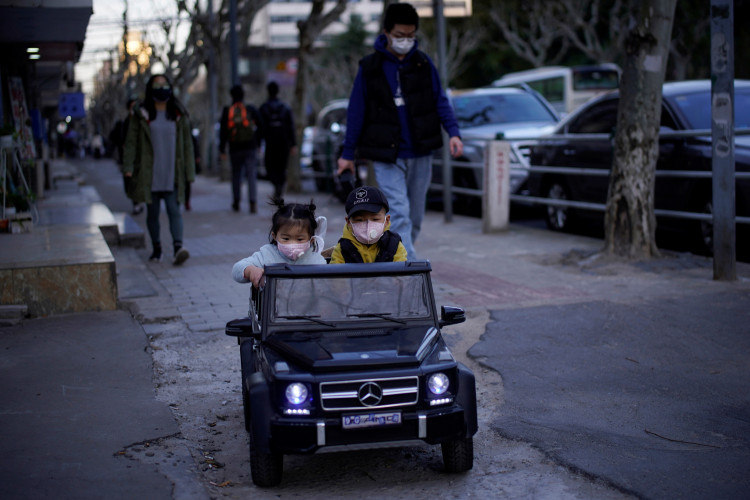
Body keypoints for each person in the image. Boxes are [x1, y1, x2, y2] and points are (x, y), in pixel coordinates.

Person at [336, 2, 463, 260]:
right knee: (401, 212)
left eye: (410, 35)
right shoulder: (369, 67)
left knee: (415, 215)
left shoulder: (422, 64)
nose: (405, 41)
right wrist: (347, 153)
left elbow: (440, 100)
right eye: (399, 35)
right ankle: (409, 269)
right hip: (386, 153)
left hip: (420, 150)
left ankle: (399, 254)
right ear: (386, 32)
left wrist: (454, 132)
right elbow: (356, 111)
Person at [122, 74, 195, 265]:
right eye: (157, 85)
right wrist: (128, 167)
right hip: (149, 174)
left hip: (173, 173)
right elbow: (130, 142)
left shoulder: (178, 114)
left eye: (165, 85)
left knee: (174, 210)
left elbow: (187, 145)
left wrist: (190, 172)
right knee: (152, 213)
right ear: (150, 88)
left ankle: (178, 247)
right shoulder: (141, 114)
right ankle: (157, 249)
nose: (161, 88)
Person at [232, 198, 327, 287]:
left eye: (299, 239)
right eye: (286, 238)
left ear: (311, 240)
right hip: (274, 304)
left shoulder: (317, 261)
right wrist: (251, 270)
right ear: (275, 236)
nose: (292, 244)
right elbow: (237, 269)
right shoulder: (267, 254)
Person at [329, 185, 407, 264]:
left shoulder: (394, 245)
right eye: (359, 220)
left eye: (375, 219)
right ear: (348, 222)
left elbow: (401, 274)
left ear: (386, 220)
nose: (368, 226)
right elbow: (336, 275)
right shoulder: (342, 248)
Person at [220, 84, 263, 213]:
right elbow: (261, 125)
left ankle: (236, 202)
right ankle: (252, 202)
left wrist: (222, 149)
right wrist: (258, 143)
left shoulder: (227, 110)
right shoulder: (250, 108)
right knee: (251, 175)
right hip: (250, 147)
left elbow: (223, 131)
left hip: (234, 148)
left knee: (236, 175)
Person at [259, 81, 296, 199]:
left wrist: (259, 143)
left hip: (270, 143)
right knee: (282, 167)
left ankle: (277, 186)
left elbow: (260, 128)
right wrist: (293, 144)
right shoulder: (285, 108)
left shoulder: (263, 108)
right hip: (283, 142)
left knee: (269, 167)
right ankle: (279, 186)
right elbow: (291, 126)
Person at [111, 98, 144, 215]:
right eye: (132, 107)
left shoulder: (143, 122)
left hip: (140, 159)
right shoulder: (125, 123)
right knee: (129, 183)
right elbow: (119, 140)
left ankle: (138, 203)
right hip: (127, 158)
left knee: (138, 181)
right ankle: (136, 202)